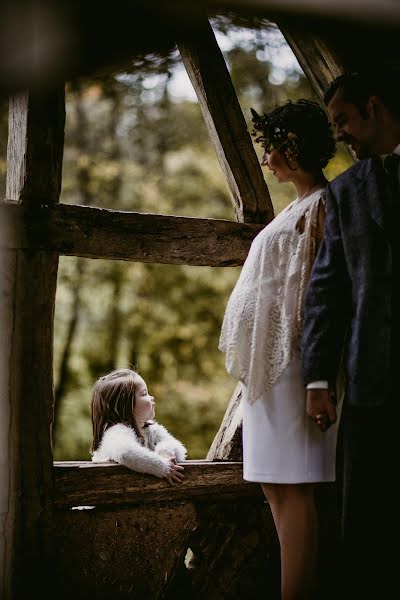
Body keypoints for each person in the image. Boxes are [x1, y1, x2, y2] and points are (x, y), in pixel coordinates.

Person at [219, 99, 338, 600]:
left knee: (294, 489)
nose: (266, 160)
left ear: (293, 147)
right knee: (274, 488)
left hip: (293, 366)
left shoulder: (324, 206)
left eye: (270, 149)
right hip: (270, 372)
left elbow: (317, 293)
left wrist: (318, 378)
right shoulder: (295, 206)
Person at [301, 69, 400, 599]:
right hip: (372, 380)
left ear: (374, 107)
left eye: (343, 119)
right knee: (365, 522)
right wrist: (317, 375)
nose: (339, 134)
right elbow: (327, 287)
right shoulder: (344, 192)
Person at [91, 367, 187, 485]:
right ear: (125, 405)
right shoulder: (116, 433)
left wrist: (165, 451)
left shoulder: (151, 430)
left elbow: (179, 449)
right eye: (144, 393)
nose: (151, 397)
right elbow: (125, 453)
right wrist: (162, 467)